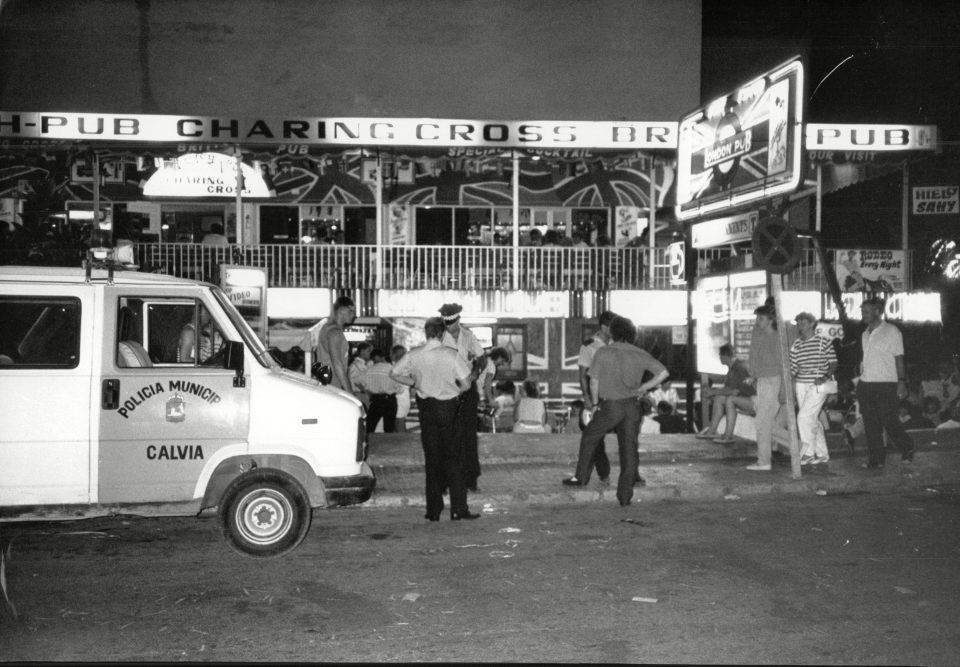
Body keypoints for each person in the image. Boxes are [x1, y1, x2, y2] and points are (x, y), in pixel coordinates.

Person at [562, 315, 669, 507]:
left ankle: (581, 477)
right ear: (632, 334)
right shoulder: (639, 353)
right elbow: (663, 373)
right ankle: (625, 495)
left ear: (613, 332)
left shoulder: (604, 352)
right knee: (629, 448)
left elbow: (593, 380)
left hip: (611, 406)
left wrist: (594, 405)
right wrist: (644, 387)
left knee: (590, 436)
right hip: (632, 407)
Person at [390, 317, 479, 521]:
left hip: (426, 410)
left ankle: (433, 511)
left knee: (432, 460)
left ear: (426, 333)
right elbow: (466, 385)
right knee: (454, 459)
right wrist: (454, 387)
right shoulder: (451, 355)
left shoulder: (414, 354)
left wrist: (414, 383)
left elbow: (393, 373)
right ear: (442, 333)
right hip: (448, 408)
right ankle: (458, 509)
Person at [857, 296, 915, 469]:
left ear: (877, 311)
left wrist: (902, 382)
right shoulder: (864, 334)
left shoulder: (892, 331)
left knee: (889, 421)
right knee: (871, 424)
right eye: (862, 311)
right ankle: (876, 459)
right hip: (866, 384)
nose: (864, 314)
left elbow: (899, 358)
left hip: (886, 384)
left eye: (867, 311)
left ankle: (907, 447)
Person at [439, 303, 486, 491]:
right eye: (446, 321)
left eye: (451, 321)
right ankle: (445, 481)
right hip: (448, 389)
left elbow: (482, 359)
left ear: (458, 319)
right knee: (447, 435)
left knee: (468, 436)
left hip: (467, 389)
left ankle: (471, 479)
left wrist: (475, 373)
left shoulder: (469, 336)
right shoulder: (441, 337)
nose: (449, 325)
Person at [743, 304, 789, 471]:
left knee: (762, 422)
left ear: (771, 320)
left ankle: (764, 461)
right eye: (757, 318)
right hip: (763, 381)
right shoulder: (761, 335)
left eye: (761, 318)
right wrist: (753, 377)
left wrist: (784, 388)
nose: (757, 321)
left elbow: (785, 366)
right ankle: (799, 448)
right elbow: (756, 357)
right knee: (765, 422)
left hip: (772, 381)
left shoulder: (776, 338)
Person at [789, 312, 838, 466]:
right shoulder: (796, 344)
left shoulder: (824, 341)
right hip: (801, 384)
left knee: (803, 417)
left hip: (818, 384)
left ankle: (808, 453)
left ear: (811, 324)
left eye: (802, 323)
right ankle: (822, 454)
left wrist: (825, 376)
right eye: (798, 323)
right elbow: (793, 367)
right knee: (812, 419)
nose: (799, 326)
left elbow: (833, 363)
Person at [577, 311, 616, 483]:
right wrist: (586, 397)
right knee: (595, 435)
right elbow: (583, 374)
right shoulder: (589, 346)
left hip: (615, 394)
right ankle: (602, 472)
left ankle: (632, 475)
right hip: (597, 396)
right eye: (612, 327)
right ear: (603, 326)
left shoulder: (616, 344)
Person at [697, 344, 755, 442]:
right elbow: (729, 390)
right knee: (719, 398)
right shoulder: (732, 369)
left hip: (754, 401)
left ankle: (728, 435)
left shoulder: (739, 368)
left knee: (730, 399)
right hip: (745, 399)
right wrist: (714, 394)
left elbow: (734, 391)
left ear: (725, 356)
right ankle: (712, 431)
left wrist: (713, 392)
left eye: (720, 355)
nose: (719, 358)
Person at [315, 296, 356, 393]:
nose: (354, 315)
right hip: (331, 386)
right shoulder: (334, 332)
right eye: (351, 311)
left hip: (327, 384)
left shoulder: (327, 328)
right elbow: (337, 364)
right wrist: (349, 391)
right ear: (342, 310)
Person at [361, 348, 403, 433]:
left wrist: (369, 393)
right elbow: (399, 388)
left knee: (370, 426)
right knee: (389, 428)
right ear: (383, 356)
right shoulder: (392, 369)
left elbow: (360, 383)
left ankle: (367, 444)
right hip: (390, 399)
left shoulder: (369, 370)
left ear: (375, 357)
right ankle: (388, 444)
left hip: (376, 400)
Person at [391, 345, 410, 433]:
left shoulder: (396, 367)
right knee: (398, 420)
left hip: (399, 396)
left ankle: (402, 441)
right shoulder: (407, 366)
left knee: (399, 421)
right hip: (404, 395)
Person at [348, 341, 373, 408]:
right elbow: (356, 381)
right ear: (362, 351)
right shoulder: (355, 365)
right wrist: (368, 392)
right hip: (361, 395)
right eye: (368, 351)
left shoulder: (367, 364)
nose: (371, 353)